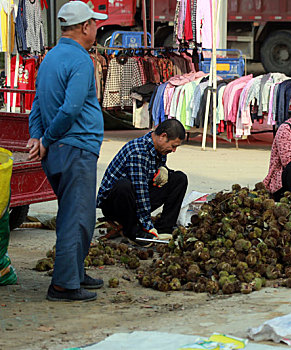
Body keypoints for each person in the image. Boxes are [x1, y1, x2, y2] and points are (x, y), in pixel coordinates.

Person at [27, 2, 108, 301]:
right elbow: (71, 108)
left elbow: (37, 103)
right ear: (85, 27)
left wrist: (38, 136)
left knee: (73, 214)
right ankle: (64, 285)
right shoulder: (81, 61)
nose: (97, 28)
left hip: (60, 151)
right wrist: (46, 139)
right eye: (95, 23)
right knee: (78, 217)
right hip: (76, 149)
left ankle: (75, 272)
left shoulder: (50, 57)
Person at [97, 119, 188, 245]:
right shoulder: (138, 151)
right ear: (163, 136)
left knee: (179, 178)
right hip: (115, 204)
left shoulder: (160, 149)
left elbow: (151, 180)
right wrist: (148, 225)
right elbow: (141, 191)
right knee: (124, 186)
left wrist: (164, 170)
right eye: (173, 146)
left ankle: (164, 228)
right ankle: (132, 231)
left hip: (134, 199)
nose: (173, 150)